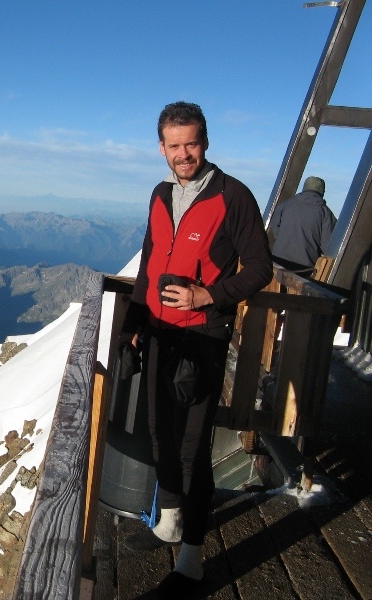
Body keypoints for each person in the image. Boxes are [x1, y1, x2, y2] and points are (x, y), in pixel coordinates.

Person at [119, 101, 272, 598]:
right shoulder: (161, 195)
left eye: (192, 143)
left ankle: (192, 559)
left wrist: (209, 295)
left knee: (191, 447)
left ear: (205, 142)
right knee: (160, 433)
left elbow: (259, 268)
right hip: (162, 333)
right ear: (161, 148)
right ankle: (168, 523)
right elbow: (149, 262)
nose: (184, 154)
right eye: (174, 145)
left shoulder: (234, 197)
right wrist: (136, 322)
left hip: (202, 337)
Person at [269, 176, 337, 275]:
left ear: (304, 188)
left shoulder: (285, 205)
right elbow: (327, 246)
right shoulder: (326, 213)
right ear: (322, 191)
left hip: (277, 263)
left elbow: (275, 230)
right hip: (304, 269)